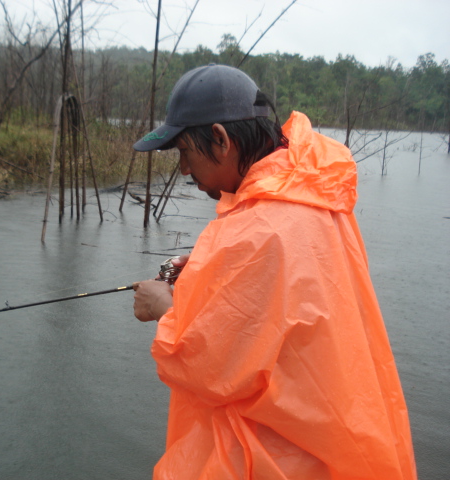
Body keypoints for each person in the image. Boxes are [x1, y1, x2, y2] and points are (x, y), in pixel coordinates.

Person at [132, 64, 417, 480]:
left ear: (221, 139)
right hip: (339, 443)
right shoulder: (313, 196)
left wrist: (164, 309)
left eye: (184, 153)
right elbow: (289, 297)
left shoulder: (257, 230)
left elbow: (211, 369)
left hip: (278, 459)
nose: (185, 171)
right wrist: (211, 272)